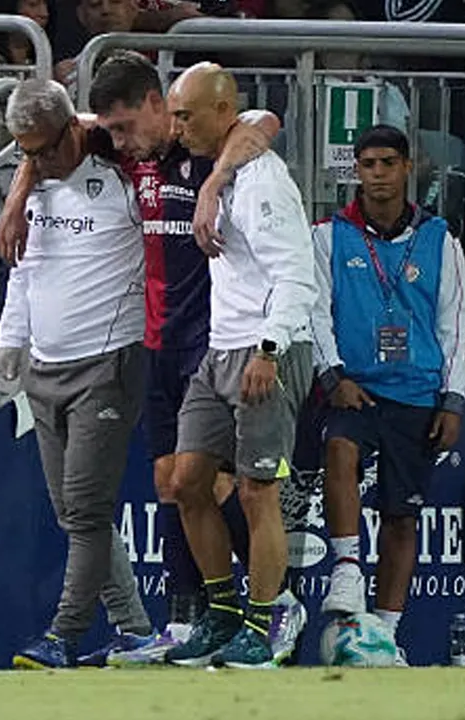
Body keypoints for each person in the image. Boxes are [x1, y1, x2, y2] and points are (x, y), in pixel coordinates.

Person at [0, 50, 308, 666]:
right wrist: (18, 193)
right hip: (160, 339)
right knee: (177, 483)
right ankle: (197, 619)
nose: (119, 142)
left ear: (160, 106)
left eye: (128, 127)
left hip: (215, 335)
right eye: (110, 131)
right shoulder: (118, 149)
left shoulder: (208, 141)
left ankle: (271, 603)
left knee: (232, 485)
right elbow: (58, 139)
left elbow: (260, 122)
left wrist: (214, 180)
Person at [158, 62, 317, 669]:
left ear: (224, 114)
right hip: (219, 351)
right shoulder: (221, 170)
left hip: (267, 351)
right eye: (172, 114)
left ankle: (266, 617)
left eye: (186, 115)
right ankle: (223, 612)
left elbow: (295, 273)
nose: (177, 128)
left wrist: (269, 348)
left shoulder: (263, 182)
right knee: (186, 480)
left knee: (257, 491)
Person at [0, 78, 154, 670]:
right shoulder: (35, 185)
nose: (35, 162)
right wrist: (12, 340)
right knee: (76, 517)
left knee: (85, 512)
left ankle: (63, 635)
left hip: (108, 363)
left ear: (76, 131)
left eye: (44, 149)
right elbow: (24, 271)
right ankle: (136, 631)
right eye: (24, 153)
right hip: (45, 368)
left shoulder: (122, 172)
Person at [309, 125, 465, 664]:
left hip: (418, 391)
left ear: (407, 168)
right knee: (340, 451)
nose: (376, 174)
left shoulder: (441, 239)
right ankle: (348, 570)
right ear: (356, 170)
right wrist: (332, 375)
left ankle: (384, 636)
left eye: (387, 163)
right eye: (367, 164)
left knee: (403, 517)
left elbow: (454, 324)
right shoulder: (330, 236)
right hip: (354, 387)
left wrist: (453, 398)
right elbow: (316, 312)